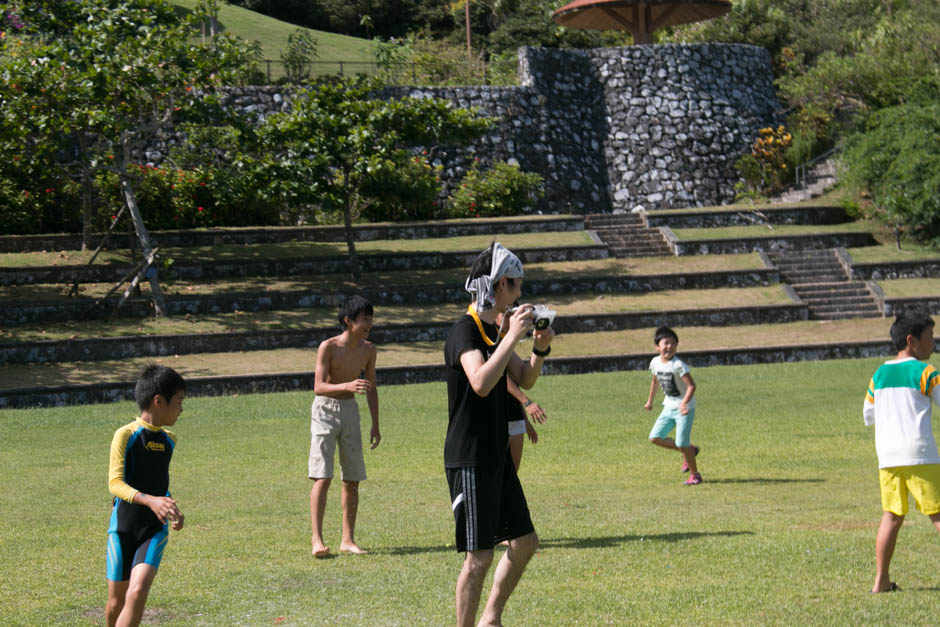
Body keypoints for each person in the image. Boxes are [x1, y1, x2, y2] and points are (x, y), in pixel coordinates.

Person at [444, 241, 554, 627]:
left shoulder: (494, 331)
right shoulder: (466, 331)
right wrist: (510, 336)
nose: (520, 295)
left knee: (525, 543)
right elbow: (480, 382)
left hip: (496, 457)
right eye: (516, 286)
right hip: (470, 458)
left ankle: (490, 619)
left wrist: (539, 348)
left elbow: (525, 377)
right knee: (480, 557)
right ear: (500, 284)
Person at [863, 309, 940, 593]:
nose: (933, 342)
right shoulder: (925, 372)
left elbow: (868, 414)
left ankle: (880, 581)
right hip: (921, 454)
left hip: (888, 458)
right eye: (930, 337)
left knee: (891, 517)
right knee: (938, 513)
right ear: (912, 340)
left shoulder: (879, 374)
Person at [105, 364, 186, 627]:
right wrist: (150, 500)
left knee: (137, 592)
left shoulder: (169, 440)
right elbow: (115, 484)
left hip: (154, 529)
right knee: (116, 604)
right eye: (178, 402)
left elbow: (158, 483)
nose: (181, 409)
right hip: (123, 529)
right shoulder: (126, 435)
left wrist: (170, 504)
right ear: (158, 401)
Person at [309, 295, 381, 558]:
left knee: (352, 479)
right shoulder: (327, 347)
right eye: (364, 319)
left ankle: (347, 540)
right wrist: (348, 386)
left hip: (351, 411)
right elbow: (318, 387)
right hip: (324, 410)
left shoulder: (369, 350)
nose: (369, 324)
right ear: (348, 321)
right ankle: (317, 540)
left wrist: (375, 423)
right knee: (323, 476)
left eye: (371, 319)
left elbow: (371, 388)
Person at [644, 325, 702, 485]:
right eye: (665, 343)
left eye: (673, 343)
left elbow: (691, 386)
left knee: (682, 443)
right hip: (668, 407)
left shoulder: (678, 365)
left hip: (685, 409)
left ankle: (695, 475)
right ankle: (690, 450)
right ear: (657, 347)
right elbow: (655, 381)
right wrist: (650, 401)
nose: (669, 346)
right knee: (655, 437)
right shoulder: (655, 362)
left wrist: (684, 404)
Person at [496, 308, 548, 472]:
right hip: (495, 417)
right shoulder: (489, 340)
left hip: (513, 415)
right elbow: (500, 378)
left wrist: (525, 421)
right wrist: (527, 402)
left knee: (511, 477)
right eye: (506, 315)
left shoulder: (506, 343)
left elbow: (518, 382)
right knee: (495, 476)